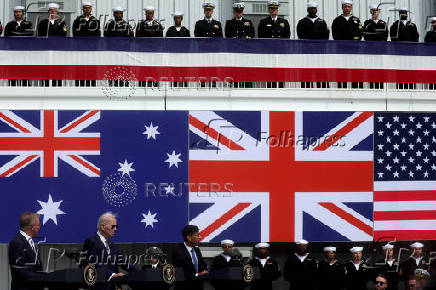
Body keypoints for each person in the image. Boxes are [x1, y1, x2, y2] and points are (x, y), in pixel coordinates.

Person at [82, 212, 134, 290]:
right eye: (113, 226)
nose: (115, 229)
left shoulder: (111, 244)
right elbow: (95, 264)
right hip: (99, 286)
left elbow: (122, 260)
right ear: (103, 227)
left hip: (113, 286)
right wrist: (112, 275)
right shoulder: (91, 242)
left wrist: (140, 272)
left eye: (116, 226)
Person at [8, 212, 45, 290]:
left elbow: (34, 268)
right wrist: (44, 277)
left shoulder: (30, 241)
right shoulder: (17, 243)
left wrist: (46, 274)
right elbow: (21, 270)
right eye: (38, 225)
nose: (39, 228)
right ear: (32, 227)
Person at [172, 225, 208, 290]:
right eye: (197, 235)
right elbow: (180, 274)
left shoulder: (197, 250)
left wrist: (205, 270)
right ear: (189, 237)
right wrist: (198, 275)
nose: (200, 237)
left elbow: (202, 266)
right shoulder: (178, 252)